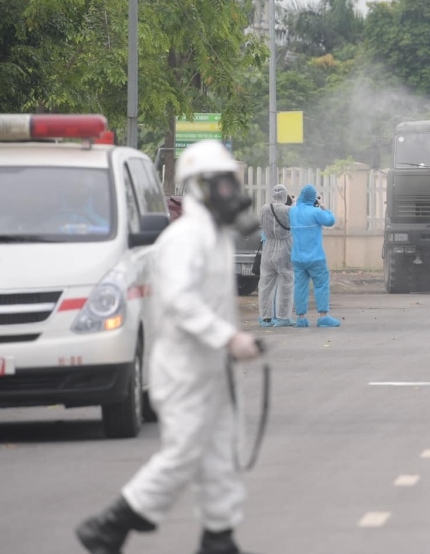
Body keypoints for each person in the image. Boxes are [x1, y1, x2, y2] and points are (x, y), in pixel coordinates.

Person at [76, 139, 262, 554]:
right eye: (225, 183)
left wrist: (227, 345)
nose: (233, 192)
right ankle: (109, 524)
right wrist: (228, 337)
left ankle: (219, 537)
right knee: (184, 454)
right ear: (199, 186)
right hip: (183, 371)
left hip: (212, 369)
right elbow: (180, 302)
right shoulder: (185, 238)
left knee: (220, 456)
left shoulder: (216, 236)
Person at [290, 185, 339, 328]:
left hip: (297, 258)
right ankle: (323, 317)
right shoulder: (316, 212)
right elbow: (331, 221)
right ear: (313, 198)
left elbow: (294, 209)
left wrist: (295, 203)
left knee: (300, 287)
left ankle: (301, 318)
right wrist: (323, 206)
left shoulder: (292, 212)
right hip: (316, 257)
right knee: (321, 285)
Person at [257, 184, 294, 328]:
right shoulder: (288, 210)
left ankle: (265, 318)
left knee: (265, 284)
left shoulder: (264, 209)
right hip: (284, 247)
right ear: (285, 196)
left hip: (268, 248)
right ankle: (283, 317)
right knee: (286, 282)